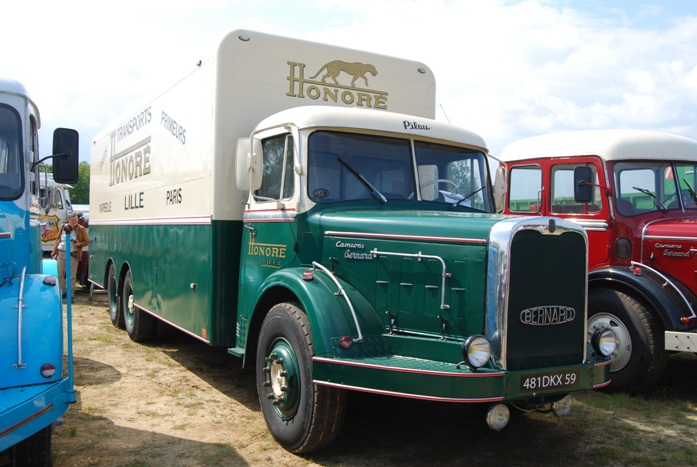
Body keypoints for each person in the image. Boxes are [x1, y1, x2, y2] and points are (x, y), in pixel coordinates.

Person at [52, 212, 89, 300]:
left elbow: (86, 241)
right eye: (72, 220)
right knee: (59, 273)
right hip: (62, 253)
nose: (74, 221)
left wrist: (79, 244)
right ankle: (64, 292)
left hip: (73, 254)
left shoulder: (81, 229)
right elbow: (58, 240)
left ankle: (71, 295)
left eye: (76, 219)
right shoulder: (63, 227)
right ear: (68, 220)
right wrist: (55, 252)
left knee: (72, 276)